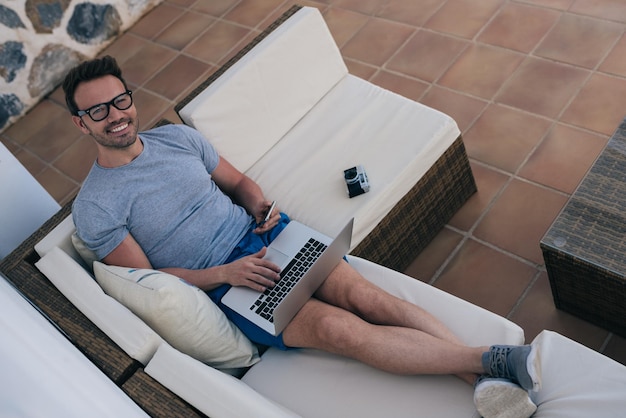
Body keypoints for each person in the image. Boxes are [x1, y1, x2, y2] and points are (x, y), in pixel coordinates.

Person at [63, 56, 541, 418]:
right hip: (231, 284)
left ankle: (479, 378)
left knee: (368, 299)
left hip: (272, 238)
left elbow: (239, 183)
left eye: (120, 99)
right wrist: (224, 272)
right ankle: (494, 361)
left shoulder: (177, 139)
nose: (116, 115)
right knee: (340, 330)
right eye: (99, 110)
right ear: (81, 122)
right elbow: (149, 279)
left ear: (131, 96)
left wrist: (260, 206)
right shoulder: (96, 205)